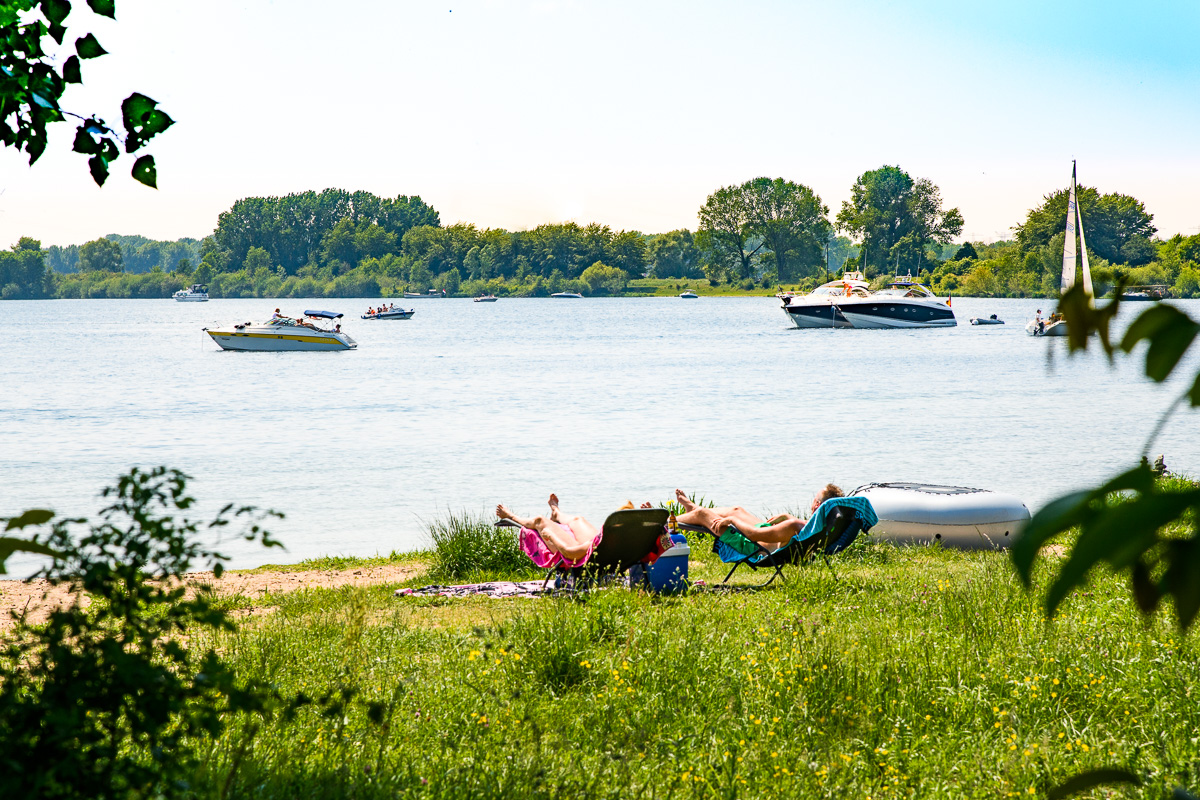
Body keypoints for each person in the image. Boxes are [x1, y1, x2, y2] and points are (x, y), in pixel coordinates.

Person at [673, 485, 844, 546]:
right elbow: (801, 524)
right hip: (766, 536)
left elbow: (753, 536)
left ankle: (666, 521)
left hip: (752, 546)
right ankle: (692, 508)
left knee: (705, 514)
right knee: (736, 510)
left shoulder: (793, 527)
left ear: (817, 505)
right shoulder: (820, 526)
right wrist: (786, 515)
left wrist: (731, 521)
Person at [496, 494, 627, 562]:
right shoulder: (635, 539)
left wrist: (551, 536)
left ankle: (511, 516)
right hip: (606, 545)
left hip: (588, 556)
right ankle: (557, 513)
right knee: (578, 520)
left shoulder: (597, 548)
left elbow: (570, 553)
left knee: (539, 520)